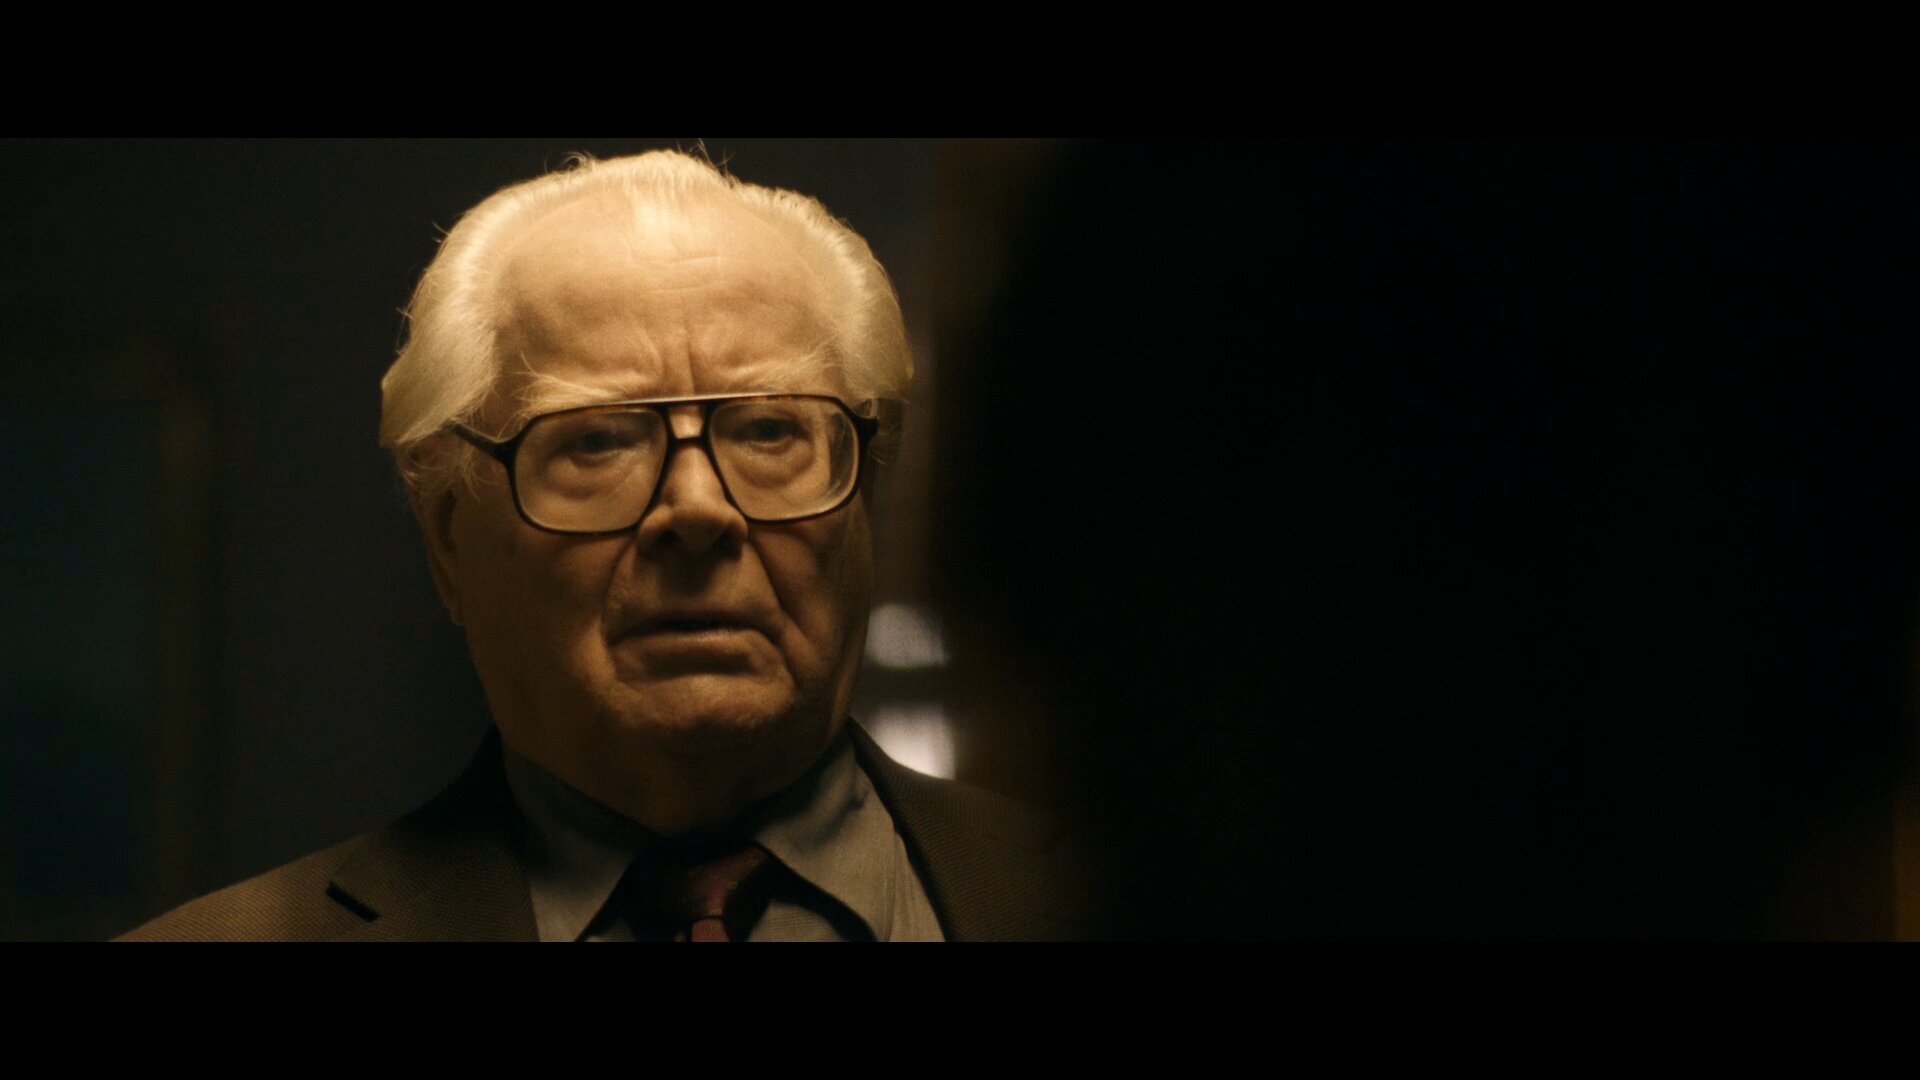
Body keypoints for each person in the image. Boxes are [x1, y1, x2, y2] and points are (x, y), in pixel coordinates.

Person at [122, 150, 1087, 941]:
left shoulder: (1122, 904)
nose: (698, 510)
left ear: (865, 494)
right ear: (448, 535)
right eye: (598, 441)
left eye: (768, 430)